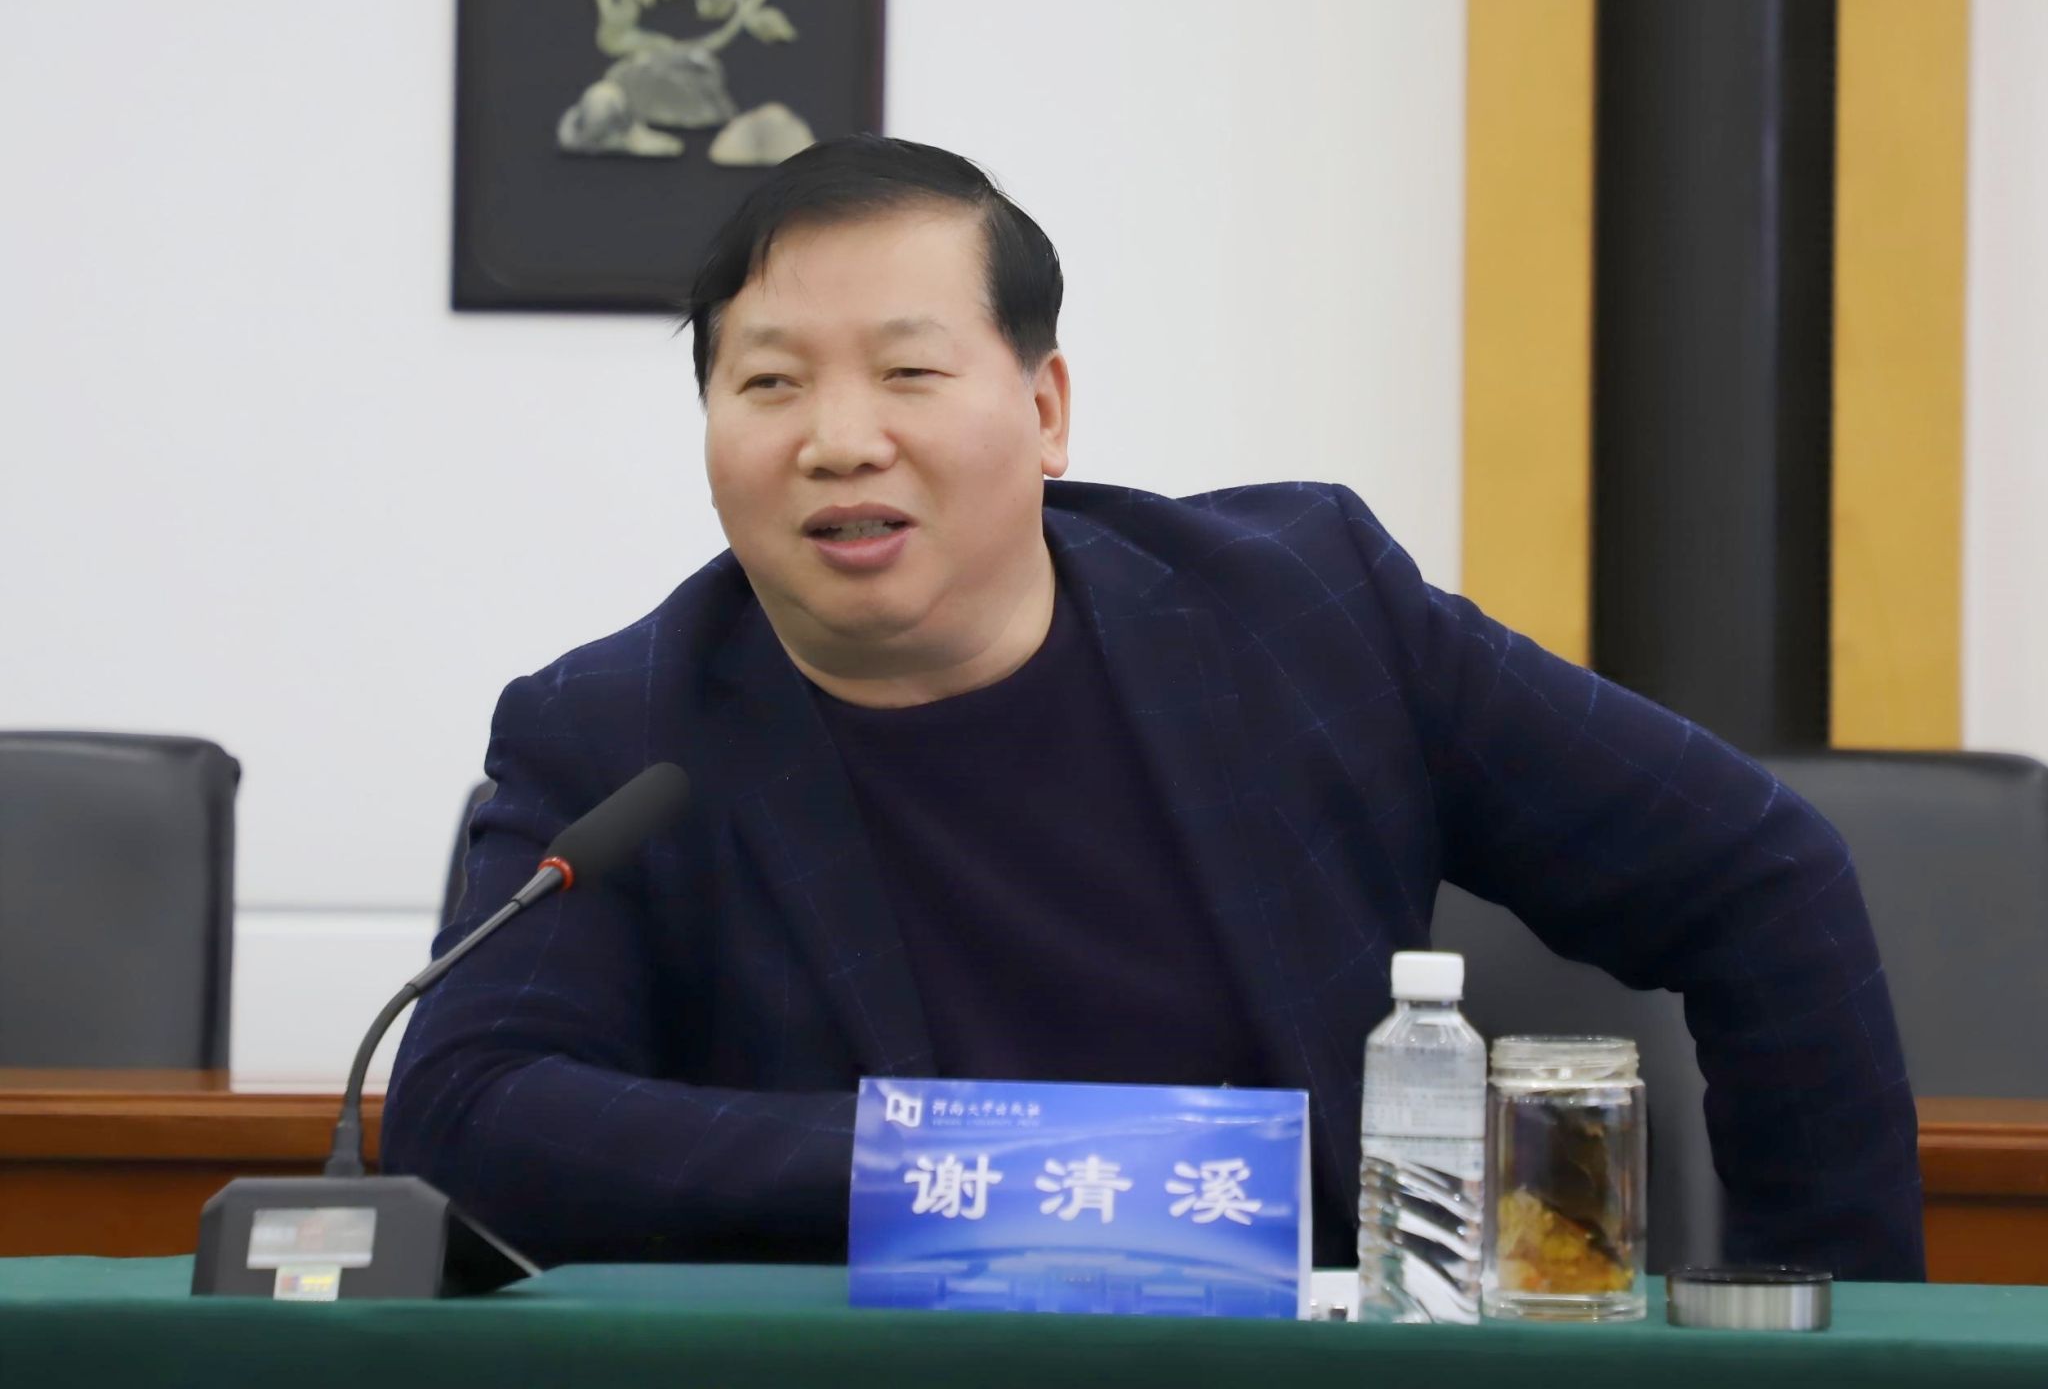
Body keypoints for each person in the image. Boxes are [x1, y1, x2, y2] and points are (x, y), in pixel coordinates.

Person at [384, 135, 1923, 1279]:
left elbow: (1758, 875)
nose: (839, 440)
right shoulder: (617, 731)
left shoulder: (1304, 612)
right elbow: (470, 1112)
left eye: (909, 373)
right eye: (769, 384)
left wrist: (1825, 1332)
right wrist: (971, 1169)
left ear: (1045, 410)